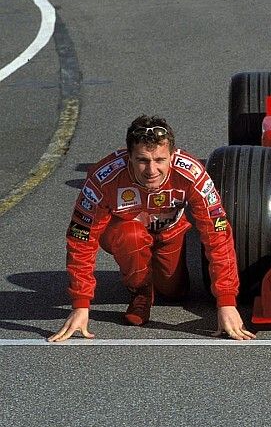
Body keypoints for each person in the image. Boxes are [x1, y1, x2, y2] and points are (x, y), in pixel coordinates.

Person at [49, 115, 255, 341]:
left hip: (170, 234)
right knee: (131, 235)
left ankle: (161, 275)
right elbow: (81, 239)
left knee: (173, 292)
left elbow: (218, 235)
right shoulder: (103, 178)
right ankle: (140, 292)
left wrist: (226, 302)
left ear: (172, 156)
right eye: (142, 160)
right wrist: (81, 304)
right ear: (129, 157)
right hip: (126, 235)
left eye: (159, 160)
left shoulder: (192, 174)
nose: (151, 170)